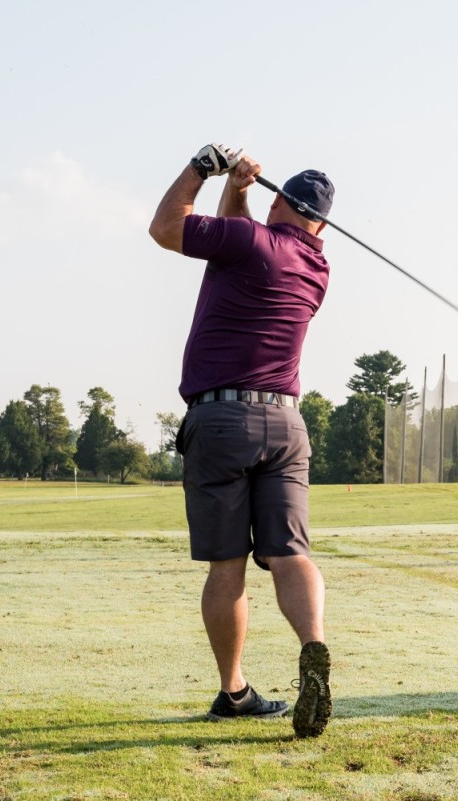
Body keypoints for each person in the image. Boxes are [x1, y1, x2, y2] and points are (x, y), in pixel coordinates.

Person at [148, 143, 334, 738]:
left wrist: (204, 168)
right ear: (322, 224)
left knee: (227, 567)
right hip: (286, 424)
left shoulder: (252, 244)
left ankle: (233, 691)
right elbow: (243, 239)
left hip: (222, 421)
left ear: (280, 200)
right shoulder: (316, 267)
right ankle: (313, 646)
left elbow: (164, 228)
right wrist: (242, 193)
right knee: (289, 552)